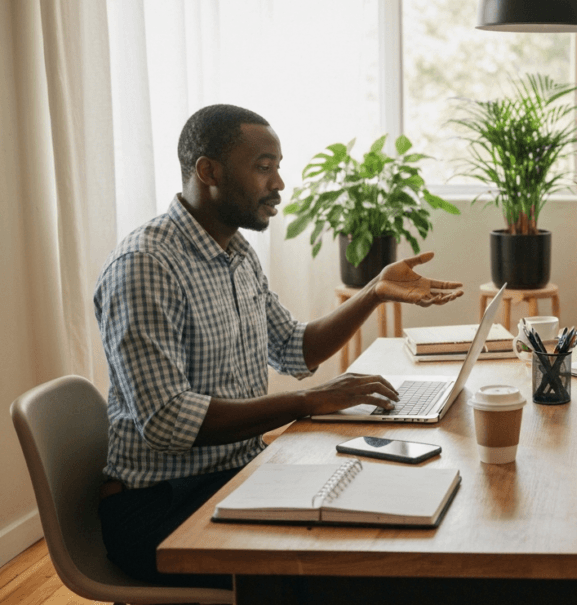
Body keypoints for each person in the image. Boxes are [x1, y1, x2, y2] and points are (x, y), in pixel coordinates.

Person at [93, 104, 463, 589]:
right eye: (264, 167)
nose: (280, 183)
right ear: (209, 171)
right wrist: (309, 402)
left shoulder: (235, 251)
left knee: (394, 526)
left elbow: (294, 348)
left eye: (279, 167)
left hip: (236, 473)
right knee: (349, 570)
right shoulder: (145, 266)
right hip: (162, 505)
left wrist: (372, 291)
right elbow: (167, 420)